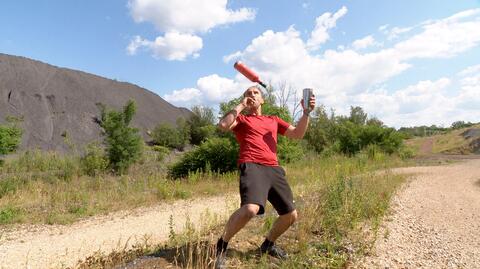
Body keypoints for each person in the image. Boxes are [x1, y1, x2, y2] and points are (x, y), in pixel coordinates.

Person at [214, 85, 315, 268]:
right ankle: (222, 245)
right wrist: (240, 105)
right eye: (248, 93)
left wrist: (306, 113)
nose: (251, 95)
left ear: (262, 100)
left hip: (274, 168)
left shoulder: (273, 120)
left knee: (290, 215)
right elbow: (222, 125)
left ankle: (268, 245)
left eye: (255, 93)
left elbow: (297, 134)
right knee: (250, 209)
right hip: (252, 165)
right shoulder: (242, 120)